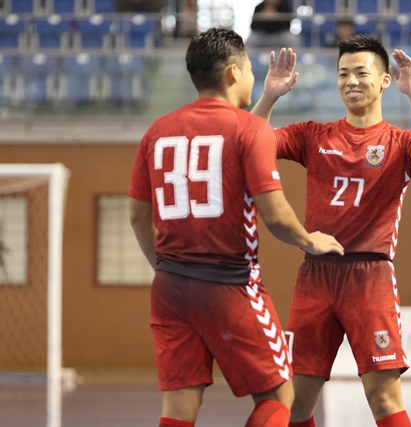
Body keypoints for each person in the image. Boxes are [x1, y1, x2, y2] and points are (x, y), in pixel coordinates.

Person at [128, 27, 343, 427]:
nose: (252, 76)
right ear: (232, 73)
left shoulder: (156, 132)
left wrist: (163, 267)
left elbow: (138, 217)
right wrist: (309, 240)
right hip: (230, 284)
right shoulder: (249, 129)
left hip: (170, 288)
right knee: (279, 398)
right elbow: (275, 216)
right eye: (249, 69)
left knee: (178, 408)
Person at [251, 36, 411, 427]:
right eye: (343, 73)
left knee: (384, 400)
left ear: (385, 81)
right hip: (315, 277)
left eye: (361, 72)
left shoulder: (399, 142)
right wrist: (269, 96)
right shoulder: (313, 135)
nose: (351, 81)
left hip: (370, 280)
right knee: (295, 404)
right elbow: (250, 143)